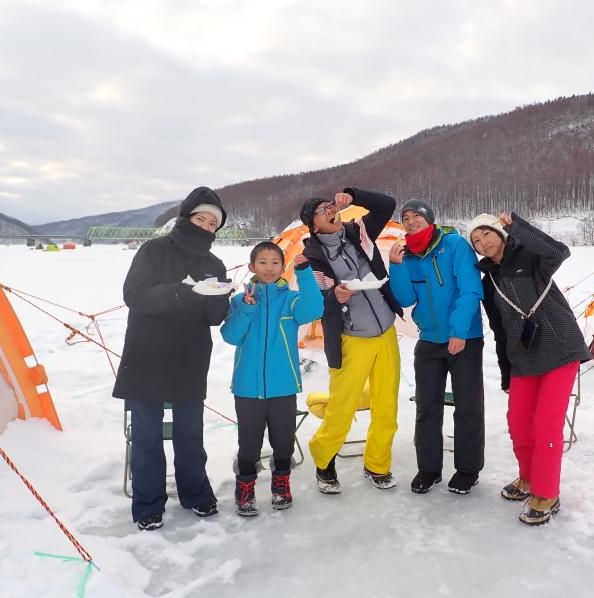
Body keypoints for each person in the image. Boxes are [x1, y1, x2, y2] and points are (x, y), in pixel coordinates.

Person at [113, 186, 232, 531]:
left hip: (190, 356)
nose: (207, 226)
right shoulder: (154, 250)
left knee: (190, 433)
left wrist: (220, 299)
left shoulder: (214, 263)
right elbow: (134, 295)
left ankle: (196, 494)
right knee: (147, 434)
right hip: (148, 353)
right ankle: (148, 503)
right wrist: (180, 292)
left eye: (213, 223)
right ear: (185, 217)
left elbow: (212, 317)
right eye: (201, 218)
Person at [468, 212, 591, 525]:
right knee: (519, 423)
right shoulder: (488, 280)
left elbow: (559, 252)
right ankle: (528, 478)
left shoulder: (530, 256)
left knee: (547, 424)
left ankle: (547, 492)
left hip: (559, 348)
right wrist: (507, 372)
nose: (483, 243)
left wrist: (518, 226)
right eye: (477, 241)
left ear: (499, 231)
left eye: (486, 234)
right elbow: (499, 329)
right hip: (522, 356)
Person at [300, 188, 403, 494]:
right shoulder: (313, 258)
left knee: (386, 405)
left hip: (386, 332)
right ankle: (324, 460)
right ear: (314, 225)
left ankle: (377, 464)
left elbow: (387, 204)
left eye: (331, 204)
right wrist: (336, 296)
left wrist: (353, 195)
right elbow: (317, 301)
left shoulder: (358, 232)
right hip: (351, 339)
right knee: (342, 408)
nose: (331, 208)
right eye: (323, 209)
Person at [388, 199, 486, 495]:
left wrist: (459, 331)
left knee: (468, 406)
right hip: (429, 339)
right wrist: (396, 267)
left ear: (429, 219)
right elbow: (405, 299)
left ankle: (468, 470)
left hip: (463, 338)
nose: (410, 221)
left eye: (416, 215)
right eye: (405, 218)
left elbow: (471, 289)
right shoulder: (407, 255)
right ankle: (428, 468)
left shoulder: (455, 245)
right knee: (426, 406)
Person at [220, 242, 323, 516]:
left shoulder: (290, 299)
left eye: (275, 262)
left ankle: (281, 485)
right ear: (252, 267)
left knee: (283, 441)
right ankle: (245, 489)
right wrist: (247, 308)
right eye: (262, 262)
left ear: (283, 266)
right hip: (247, 388)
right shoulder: (240, 301)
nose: (269, 268)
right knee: (249, 443)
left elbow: (314, 308)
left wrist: (304, 272)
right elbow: (230, 336)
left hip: (283, 386)